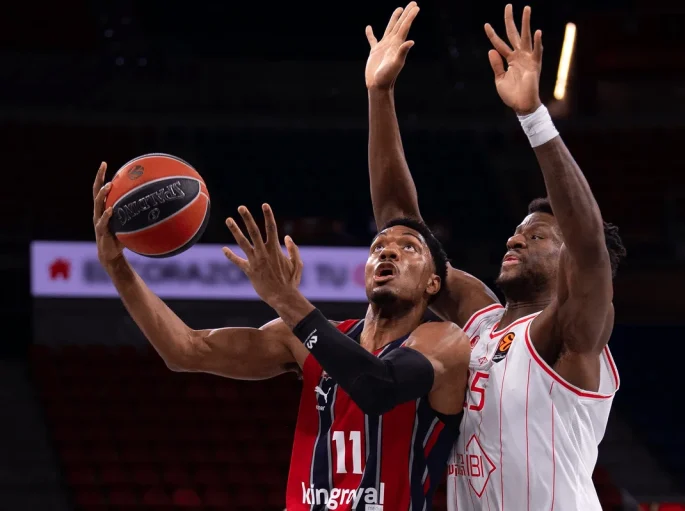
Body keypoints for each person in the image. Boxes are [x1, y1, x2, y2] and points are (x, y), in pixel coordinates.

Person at [365, 3, 627, 510]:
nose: (515, 241)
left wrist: (533, 118)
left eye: (537, 237)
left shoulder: (572, 337)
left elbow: (590, 248)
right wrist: (380, 94)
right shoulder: (478, 319)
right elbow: (401, 226)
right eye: (515, 232)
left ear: (568, 261)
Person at [92, 162, 469, 510]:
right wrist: (117, 267)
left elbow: (378, 386)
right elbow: (186, 350)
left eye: (409, 248)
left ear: (433, 282)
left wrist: (286, 300)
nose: (389, 253)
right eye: (378, 247)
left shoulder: (443, 342)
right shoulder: (304, 339)